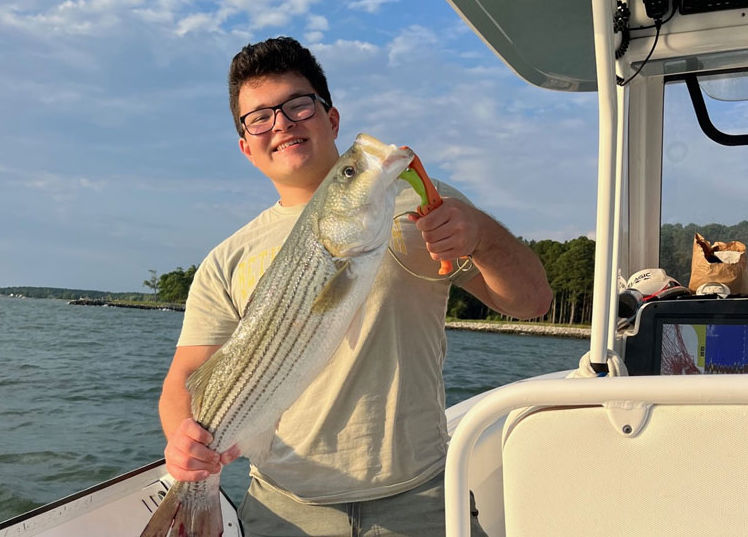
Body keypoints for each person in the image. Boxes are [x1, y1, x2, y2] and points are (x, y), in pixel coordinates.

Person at [158, 36, 552, 536]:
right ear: (246, 146)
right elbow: (185, 379)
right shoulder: (226, 259)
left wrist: (481, 236)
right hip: (287, 508)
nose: (281, 124)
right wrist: (184, 442)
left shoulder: (421, 202)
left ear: (332, 119)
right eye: (259, 117)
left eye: (299, 105)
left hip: (421, 498)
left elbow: (534, 302)